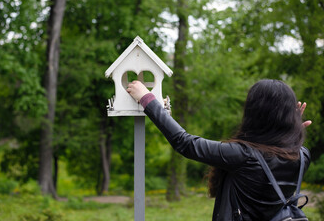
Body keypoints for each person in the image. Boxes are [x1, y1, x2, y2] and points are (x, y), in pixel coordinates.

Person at [127, 79, 311, 221]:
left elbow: (185, 143)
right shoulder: (302, 156)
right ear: (288, 116)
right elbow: (279, 153)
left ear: (254, 113)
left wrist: (147, 99)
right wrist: (292, 129)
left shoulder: (243, 156)